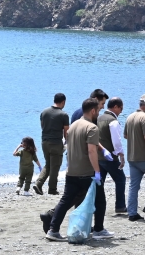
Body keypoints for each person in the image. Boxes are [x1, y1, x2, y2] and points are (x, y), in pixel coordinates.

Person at [46, 98, 113, 241]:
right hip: (86, 172)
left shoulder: (73, 125)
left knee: (65, 201)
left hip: (71, 171)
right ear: (93, 110)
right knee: (100, 200)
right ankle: (99, 229)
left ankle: (53, 229)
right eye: (98, 111)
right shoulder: (92, 128)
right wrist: (97, 171)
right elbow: (91, 151)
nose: (98, 114)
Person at [34, 93, 70, 195]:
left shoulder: (44, 112)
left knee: (48, 164)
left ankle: (38, 184)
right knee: (55, 166)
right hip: (56, 143)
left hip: (44, 142)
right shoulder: (63, 115)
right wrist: (67, 144)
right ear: (63, 102)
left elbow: (42, 126)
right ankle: (52, 189)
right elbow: (66, 133)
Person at [98, 97, 127, 214]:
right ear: (115, 107)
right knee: (120, 179)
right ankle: (120, 206)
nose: (121, 111)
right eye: (120, 108)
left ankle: (98, 205)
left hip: (98, 156)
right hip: (110, 157)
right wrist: (121, 155)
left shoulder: (98, 118)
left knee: (99, 183)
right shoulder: (113, 121)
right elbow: (116, 140)